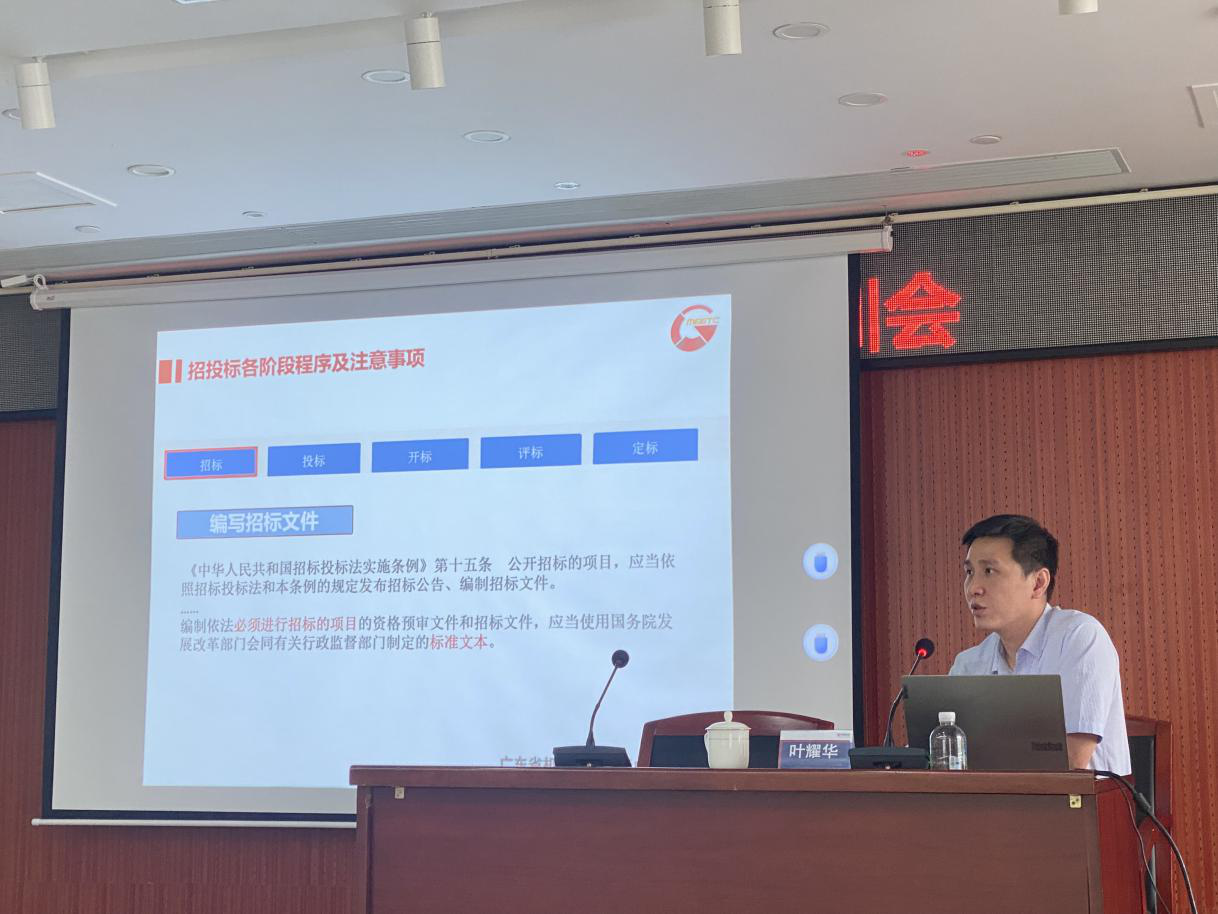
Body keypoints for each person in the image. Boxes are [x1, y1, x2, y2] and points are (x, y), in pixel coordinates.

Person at [949, 514, 1131, 774]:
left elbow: (1071, 760)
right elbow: (946, 760)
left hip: (1086, 799)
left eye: (989, 571)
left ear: (1038, 582)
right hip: (994, 799)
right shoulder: (968, 664)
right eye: (969, 572)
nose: (973, 588)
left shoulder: (1079, 638)